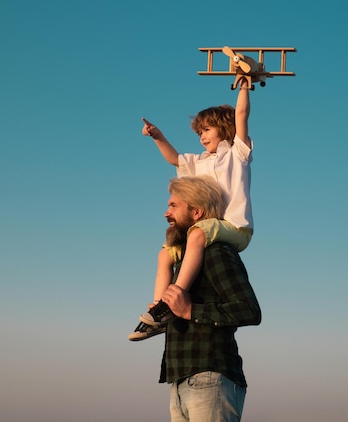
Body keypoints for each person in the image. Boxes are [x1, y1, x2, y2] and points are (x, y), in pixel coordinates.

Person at [137, 176, 262, 421]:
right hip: (181, 382)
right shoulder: (182, 262)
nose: (166, 213)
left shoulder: (216, 253)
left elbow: (249, 310)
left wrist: (190, 311)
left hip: (211, 378)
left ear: (196, 212)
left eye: (174, 206)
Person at [136, 77, 254, 332]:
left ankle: (174, 297)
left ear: (224, 128)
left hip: (235, 228)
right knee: (165, 253)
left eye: (206, 130)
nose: (201, 137)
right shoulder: (199, 162)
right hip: (212, 228)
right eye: (199, 133)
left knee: (197, 232)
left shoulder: (237, 154)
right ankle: (159, 310)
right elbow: (174, 159)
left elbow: (242, 114)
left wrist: (245, 85)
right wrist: (157, 136)